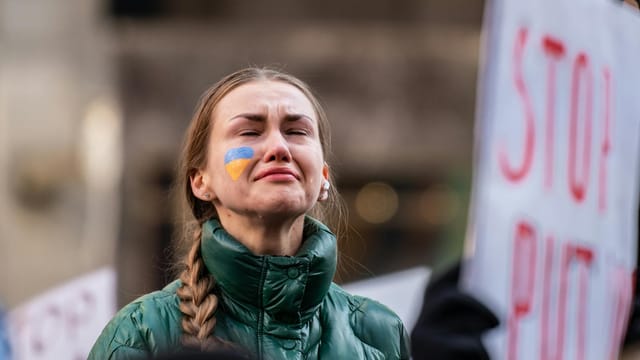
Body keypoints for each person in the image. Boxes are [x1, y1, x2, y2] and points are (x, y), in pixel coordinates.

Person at [89, 67, 410, 359]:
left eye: (297, 131)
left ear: (323, 176)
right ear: (201, 181)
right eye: (250, 132)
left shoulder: (381, 333)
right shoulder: (141, 334)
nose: (279, 148)